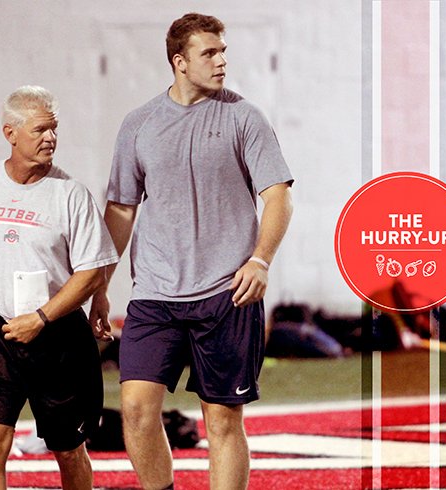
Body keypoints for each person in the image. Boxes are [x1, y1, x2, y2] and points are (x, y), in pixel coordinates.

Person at [88, 13, 294, 490]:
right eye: (210, 53)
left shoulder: (245, 116)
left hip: (228, 294)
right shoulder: (138, 124)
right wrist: (101, 287)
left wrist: (261, 260)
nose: (222, 61)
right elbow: (120, 209)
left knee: (222, 422)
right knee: (136, 410)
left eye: (223, 51)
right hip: (155, 293)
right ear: (180, 62)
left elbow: (278, 196)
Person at [0, 85, 118, 490]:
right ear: (10, 132)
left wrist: (41, 318)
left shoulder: (71, 194)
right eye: (39, 130)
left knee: (68, 448)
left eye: (54, 129)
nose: (50, 138)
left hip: (59, 338)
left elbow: (90, 272)